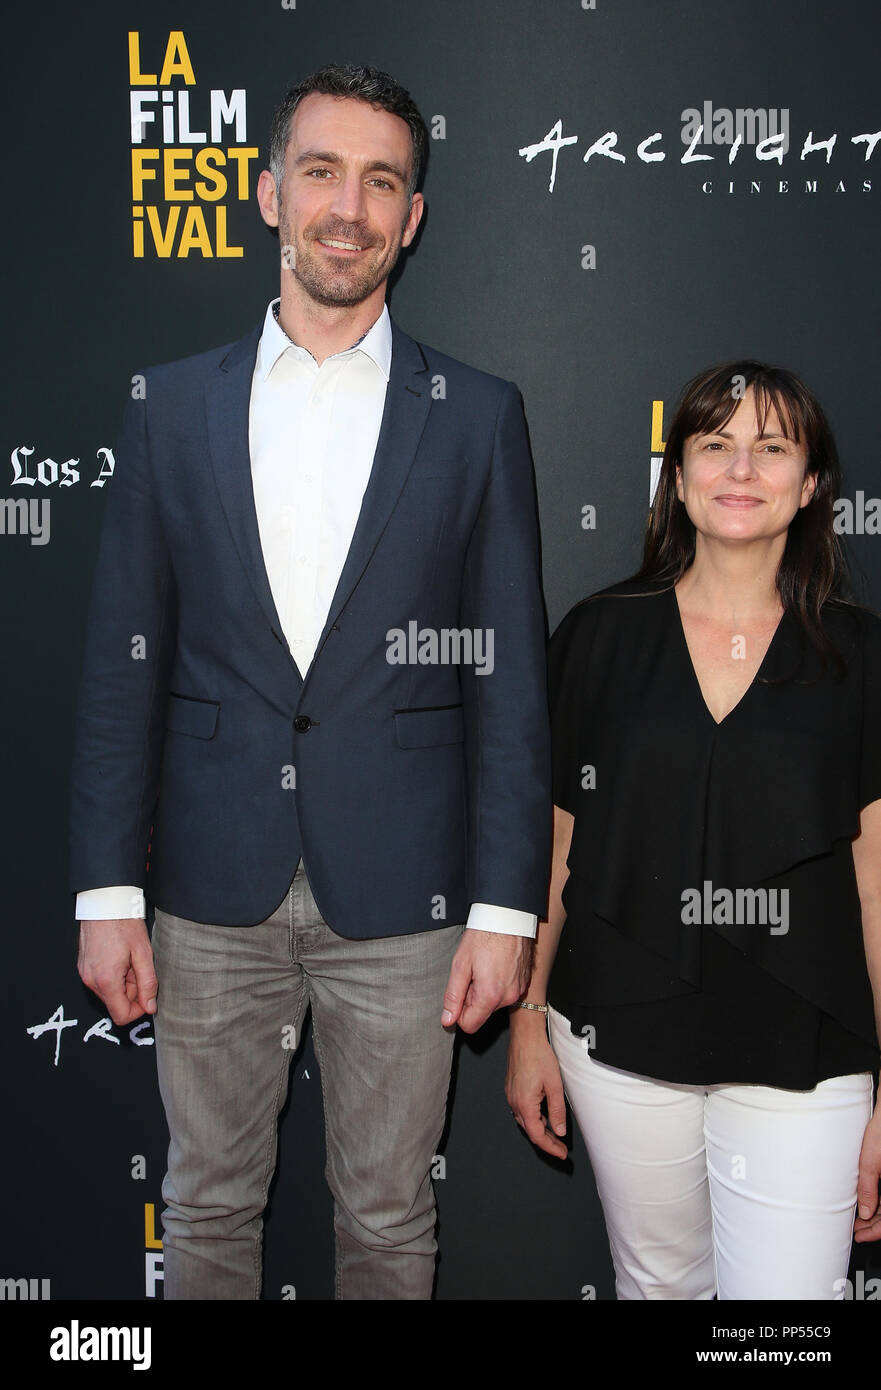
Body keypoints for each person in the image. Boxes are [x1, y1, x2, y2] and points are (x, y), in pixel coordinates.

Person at [69, 63, 551, 1300]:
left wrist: (506, 911)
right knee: (205, 1207)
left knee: (390, 1220)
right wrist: (108, 888)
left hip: (405, 894)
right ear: (270, 194)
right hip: (207, 885)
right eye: (324, 174)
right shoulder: (168, 409)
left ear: (413, 216)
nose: (351, 206)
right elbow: (124, 665)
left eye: (382, 181)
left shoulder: (477, 415)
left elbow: (506, 679)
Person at [507, 360, 881, 1300]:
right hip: (617, 1036)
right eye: (714, 445)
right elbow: (552, 849)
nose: (740, 468)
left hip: (807, 1048)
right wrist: (525, 1021)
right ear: (676, 478)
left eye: (770, 447)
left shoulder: (864, 656)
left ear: (811, 484)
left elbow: (876, 884)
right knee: (659, 1289)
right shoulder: (597, 638)